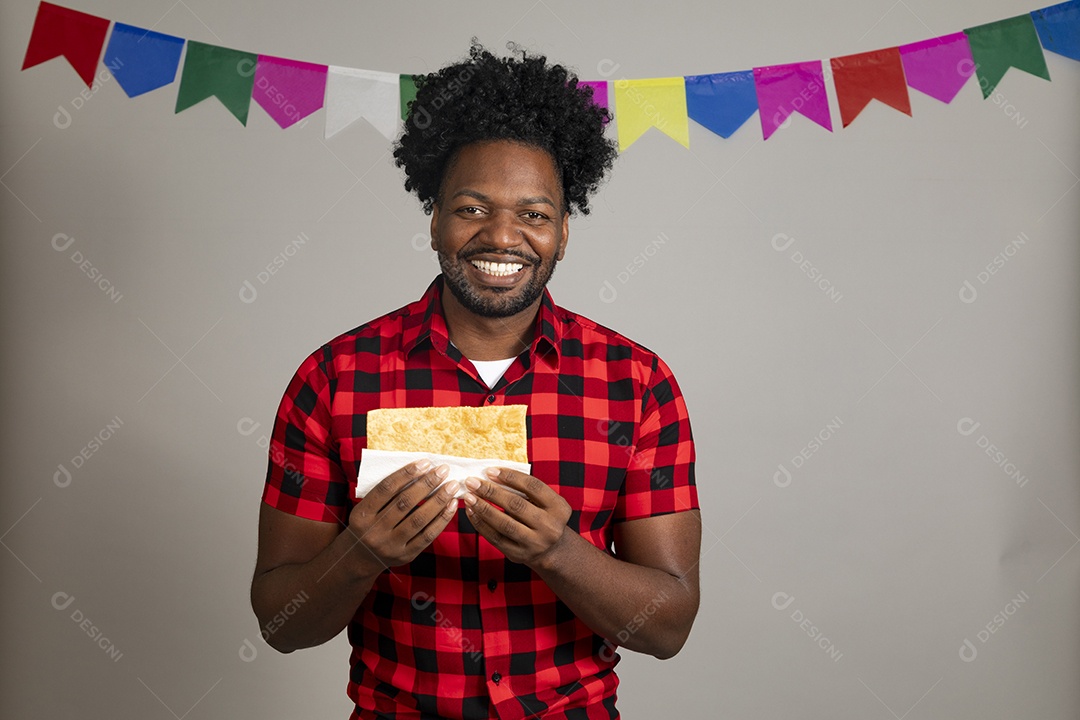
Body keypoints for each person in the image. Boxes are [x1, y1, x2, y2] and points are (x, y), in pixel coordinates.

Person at [250, 41, 701, 720]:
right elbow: (281, 627)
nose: (502, 235)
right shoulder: (335, 377)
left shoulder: (636, 383)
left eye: (534, 214)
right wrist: (360, 553)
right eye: (471, 208)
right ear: (433, 218)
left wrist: (560, 552)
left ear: (563, 231)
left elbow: (668, 628)